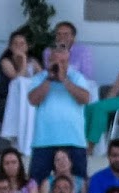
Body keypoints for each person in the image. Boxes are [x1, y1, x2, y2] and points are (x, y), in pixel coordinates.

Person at [27, 43, 92, 184]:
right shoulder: (39, 78)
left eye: (63, 61)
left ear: (68, 62)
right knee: (36, 183)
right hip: (44, 141)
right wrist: (49, 79)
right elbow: (33, 100)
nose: (59, 65)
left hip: (74, 141)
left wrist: (65, 80)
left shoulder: (76, 77)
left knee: (79, 184)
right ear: (49, 61)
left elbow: (85, 99)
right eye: (55, 61)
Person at [0, 30, 42, 121]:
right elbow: (18, 81)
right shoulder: (6, 62)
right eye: (15, 44)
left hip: (28, 99)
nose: (19, 46)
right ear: (10, 47)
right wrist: (23, 60)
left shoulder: (33, 62)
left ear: (27, 46)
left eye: (22, 44)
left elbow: (42, 78)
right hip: (8, 101)